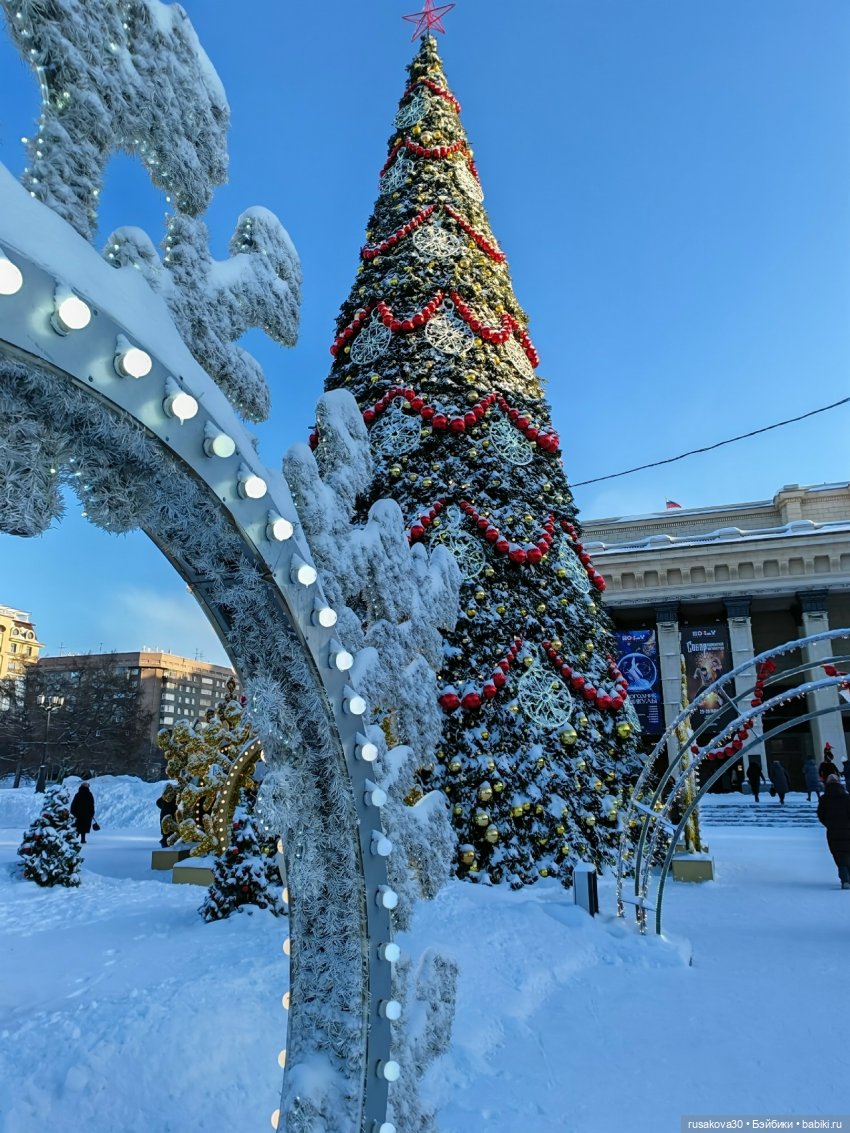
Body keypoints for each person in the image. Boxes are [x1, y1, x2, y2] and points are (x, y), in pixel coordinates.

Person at [816, 775, 850, 889]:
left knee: (839, 855)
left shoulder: (824, 799)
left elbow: (821, 814)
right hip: (848, 829)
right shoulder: (846, 797)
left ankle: (845, 880)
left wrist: (829, 824)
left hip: (833, 831)